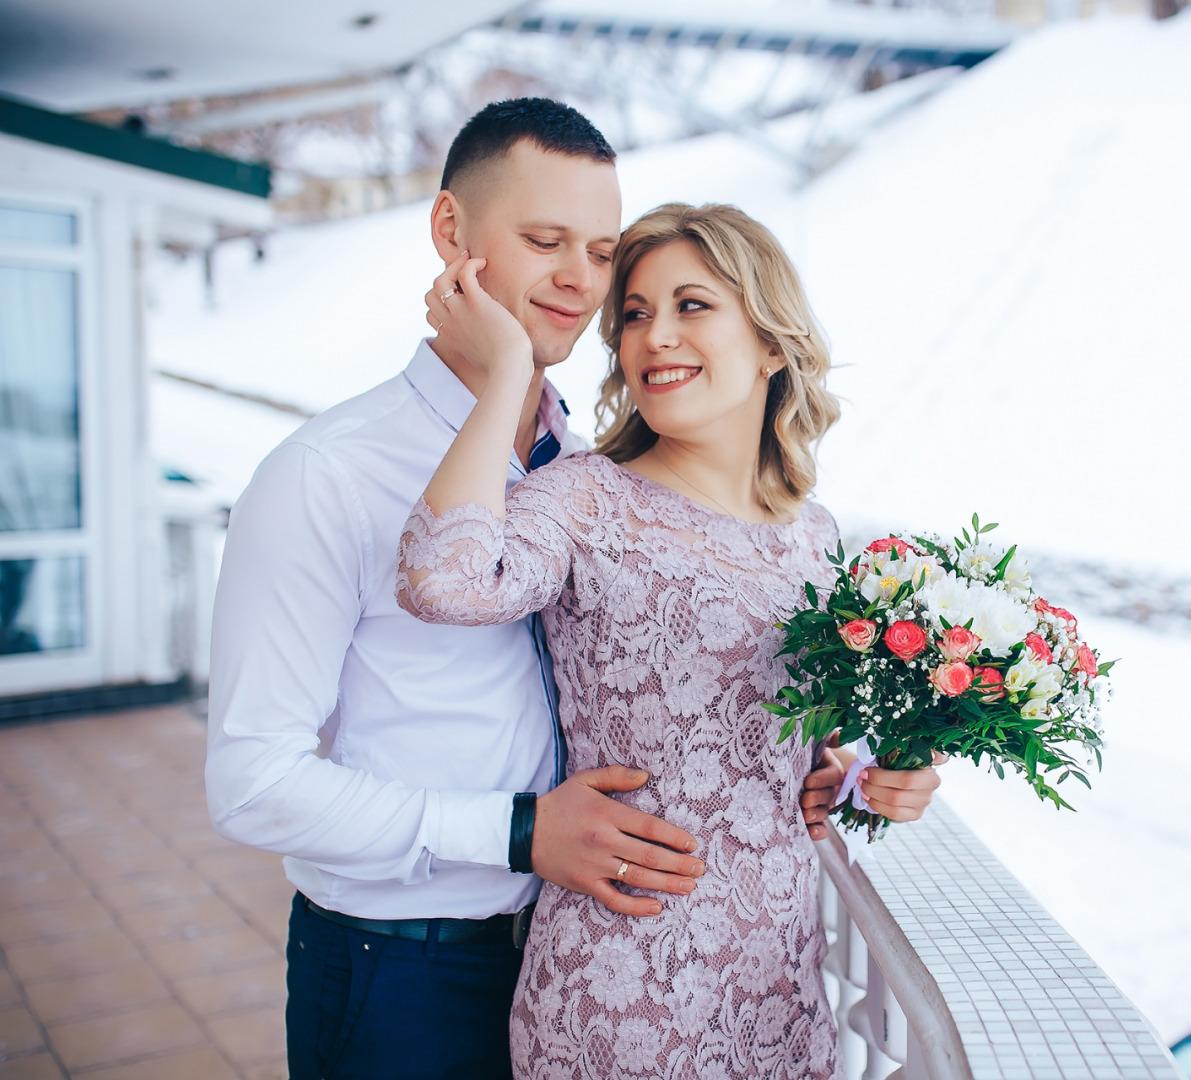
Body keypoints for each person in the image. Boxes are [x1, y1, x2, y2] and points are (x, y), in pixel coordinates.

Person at [205, 98, 932, 1080]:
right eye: (545, 241)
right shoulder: (327, 474)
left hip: (599, 938)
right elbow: (250, 783)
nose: (582, 283)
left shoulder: (588, 467)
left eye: (599, 252)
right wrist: (518, 832)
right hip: (407, 967)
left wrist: (839, 772)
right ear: (452, 235)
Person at [397, 201, 934, 1079]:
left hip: (784, 996)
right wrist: (508, 374)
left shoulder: (817, 536)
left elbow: (809, 746)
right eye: (636, 315)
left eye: (692, 306)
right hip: (625, 989)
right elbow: (439, 581)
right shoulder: (584, 498)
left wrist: (871, 777)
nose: (654, 337)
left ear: (771, 342)